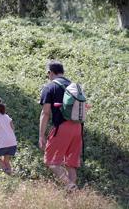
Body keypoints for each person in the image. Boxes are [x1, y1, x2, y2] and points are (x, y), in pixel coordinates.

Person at [39, 60, 82, 190]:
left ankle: (71, 186)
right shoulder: (73, 86)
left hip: (62, 128)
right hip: (77, 127)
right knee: (70, 163)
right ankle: (73, 195)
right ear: (62, 72)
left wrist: (41, 135)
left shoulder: (50, 87)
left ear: (50, 72)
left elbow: (45, 113)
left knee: (51, 161)